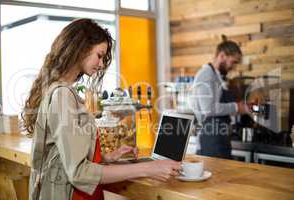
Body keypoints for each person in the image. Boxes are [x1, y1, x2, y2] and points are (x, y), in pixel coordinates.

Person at [22, 18, 181, 200]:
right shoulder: (62, 96)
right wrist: (148, 168)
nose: (101, 64)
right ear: (80, 48)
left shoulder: (61, 91)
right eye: (99, 55)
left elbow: (63, 155)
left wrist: (105, 158)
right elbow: (78, 172)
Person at [188, 36, 249, 159]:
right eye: (233, 62)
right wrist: (236, 107)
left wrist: (240, 106)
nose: (234, 67)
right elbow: (208, 109)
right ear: (222, 56)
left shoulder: (217, 77)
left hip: (220, 136)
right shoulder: (206, 75)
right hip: (211, 138)